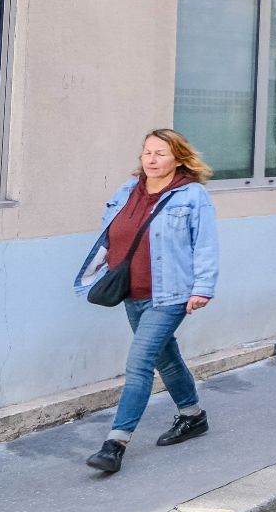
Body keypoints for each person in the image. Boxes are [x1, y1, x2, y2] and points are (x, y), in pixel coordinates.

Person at [73, 129, 220, 475]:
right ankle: (193, 416)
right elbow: (111, 234)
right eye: (146, 153)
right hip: (131, 292)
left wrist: (203, 287)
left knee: (139, 363)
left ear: (179, 158)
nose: (151, 160)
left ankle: (115, 444)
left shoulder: (191, 196)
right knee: (165, 358)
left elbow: (206, 244)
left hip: (170, 295)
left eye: (160, 154)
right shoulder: (127, 191)